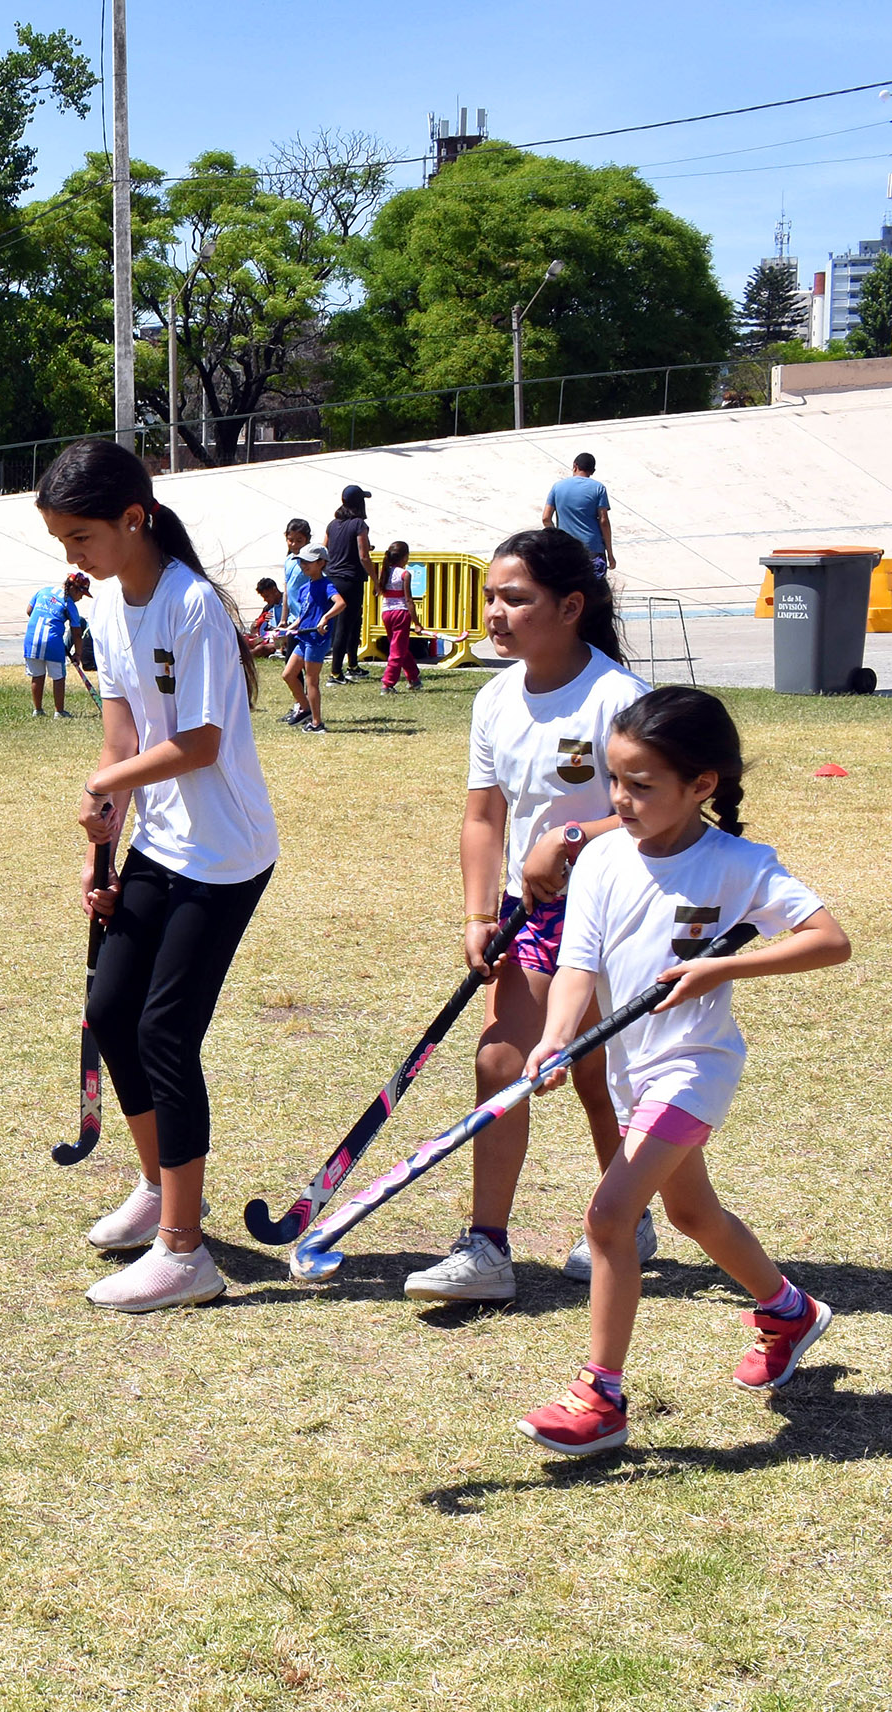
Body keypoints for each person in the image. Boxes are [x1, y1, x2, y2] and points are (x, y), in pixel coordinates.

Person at [515, 686, 850, 1455]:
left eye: (641, 784)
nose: (620, 799)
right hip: (634, 1069)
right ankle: (788, 1309)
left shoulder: (739, 865)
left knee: (609, 1216)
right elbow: (577, 965)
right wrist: (555, 1039)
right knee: (696, 1215)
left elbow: (830, 941)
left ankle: (599, 1398)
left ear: (703, 785)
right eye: (614, 779)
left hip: (694, 1065)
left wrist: (722, 967)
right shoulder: (599, 857)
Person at [39, 439, 280, 1312]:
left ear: (133, 518)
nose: (74, 555)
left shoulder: (190, 607)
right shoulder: (108, 606)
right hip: (161, 844)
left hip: (225, 854)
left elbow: (203, 741)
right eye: (63, 540)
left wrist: (110, 783)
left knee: (165, 1032)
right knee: (110, 1013)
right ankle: (160, 1187)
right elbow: (121, 738)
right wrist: (101, 846)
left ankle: (187, 1255)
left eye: (82, 537)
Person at [406, 528, 654, 1304]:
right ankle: (486, 1248)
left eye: (516, 598)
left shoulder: (619, 698)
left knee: (598, 1076)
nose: (496, 613)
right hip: (532, 915)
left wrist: (574, 836)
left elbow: (670, 810)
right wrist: (479, 911)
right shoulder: (493, 699)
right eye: (490, 598)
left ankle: (631, 1212)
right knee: (499, 1062)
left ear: (571, 606)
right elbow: (485, 816)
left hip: (620, 910)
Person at [281, 546, 338, 733]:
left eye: (308, 561)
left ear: (321, 563)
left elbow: (341, 603)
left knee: (311, 680)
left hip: (316, 639)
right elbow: (303, 615)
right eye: (301, 561)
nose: (303, 565)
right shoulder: (305, 588)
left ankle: (316, 722)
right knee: (288, 675)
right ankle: (305, 708)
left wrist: (325, 618)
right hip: (304, 637)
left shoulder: (326, 584)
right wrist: (289, 627)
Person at [21, 572, 91, 720]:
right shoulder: (69, 603)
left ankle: (37, 710)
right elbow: (76, 633)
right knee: (58, 677)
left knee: (37, 676)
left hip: (31, 639)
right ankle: (59, 712)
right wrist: (78, 654)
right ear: (75, 589)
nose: (82, 597)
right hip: (53, 642)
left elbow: (29, 611)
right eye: (82, 593)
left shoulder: (44, 591)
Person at [323, 485, 372, 685]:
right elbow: (364, 555)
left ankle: (352, 665)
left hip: (333, 578)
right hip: (351, 580)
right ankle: (336, 673)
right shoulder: (359, 524)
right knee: (346, 626)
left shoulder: (332, 525)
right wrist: (376, 580)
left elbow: (324, 549)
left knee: (352, 624)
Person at [542, 452, 614, 575]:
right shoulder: (599, 488)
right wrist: (610, 554)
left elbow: (546, 518)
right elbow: (603, 521)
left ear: (575, 466)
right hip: (593, 547)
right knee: (594, 590)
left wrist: (558, 538)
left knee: (569, 587)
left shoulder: (557, 487)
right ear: (592, 471)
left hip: (566, 548)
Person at [378, 539, 423, 692]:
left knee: (399, 646)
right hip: (401, 613)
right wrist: (417, 622)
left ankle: (414, 676)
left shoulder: (384, 572)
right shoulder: (405, 574)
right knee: (397, 650)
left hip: (386, 613)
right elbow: (409, 600)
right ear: (405, 557)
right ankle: (388, 683)